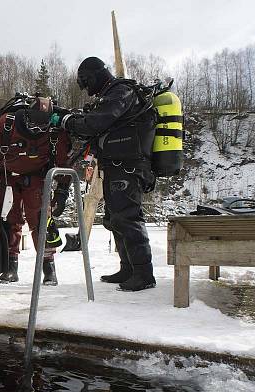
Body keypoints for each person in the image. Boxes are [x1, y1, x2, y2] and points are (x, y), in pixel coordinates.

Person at [51, 57, 157, 291]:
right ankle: (128, 268)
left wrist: (66, 121)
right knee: (114, 218)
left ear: (95, 75)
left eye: (86, 83)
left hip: (128, 166)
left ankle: (143, 273)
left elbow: (95, 124)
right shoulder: (110, 96)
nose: (87, 90)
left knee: (128, 217)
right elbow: (94, 122)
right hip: (115, 165)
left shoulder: (122, 92)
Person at [0, 95, 72, 285]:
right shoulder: (5, 124)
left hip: (37, 180)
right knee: (10, 221)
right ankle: (10, 268)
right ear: (26, 116)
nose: (37, 129)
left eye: (42, 126)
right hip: (7, 178)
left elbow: (64, 161)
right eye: (34, 124)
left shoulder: (55, 132)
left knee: (41, 222)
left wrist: (62, 190)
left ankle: (48, 268)